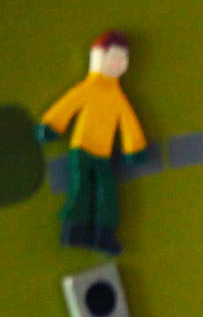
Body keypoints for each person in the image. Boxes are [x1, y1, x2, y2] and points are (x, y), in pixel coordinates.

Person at [38, 32, 151, 255]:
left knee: (108, 192)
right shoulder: (88, 89)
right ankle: (73, 229)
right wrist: (52, 126)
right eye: (115, 57)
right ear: (101, 58)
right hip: (82, 149)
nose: (119, 62)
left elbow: (128, 122)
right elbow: (68, 105)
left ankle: (104, 234)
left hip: (103, 154)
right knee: (81, 187)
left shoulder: (117, 96)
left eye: (123, 58)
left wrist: (134, 146)